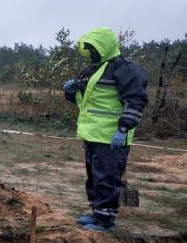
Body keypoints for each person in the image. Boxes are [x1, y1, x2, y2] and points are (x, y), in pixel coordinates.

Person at [63, 27, 148, 231]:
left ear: (105, 47)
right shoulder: (94, 68)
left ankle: (106, 220)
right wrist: (71, 91)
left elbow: (136, 100)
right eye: (89, 48)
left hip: (112, 137)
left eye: (94, 48)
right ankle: (97, 213)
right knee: (94, 177)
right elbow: (86, 100)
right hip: (92, 135)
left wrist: (123, 128)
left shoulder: (124, 68)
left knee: (107, 178)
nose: (91, 52)